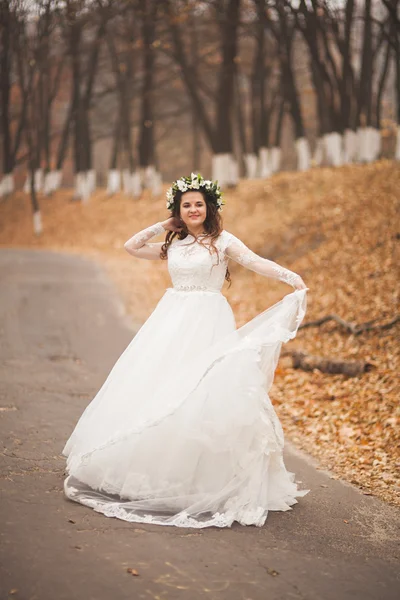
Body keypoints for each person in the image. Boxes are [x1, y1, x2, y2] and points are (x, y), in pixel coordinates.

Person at [63, 173, 309, 528]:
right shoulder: (173, 244)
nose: (193, 209)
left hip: (208, 319)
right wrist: (163, 224)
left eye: (198, 204)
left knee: (204, 389)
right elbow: (131, 247)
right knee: (159, 384)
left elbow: (256, 262)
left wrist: (292, 278)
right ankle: (152, 469)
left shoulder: (222, 241)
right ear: (179, 211)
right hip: (171, 321)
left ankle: (204, 476)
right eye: (186, 205)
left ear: (209, 208)